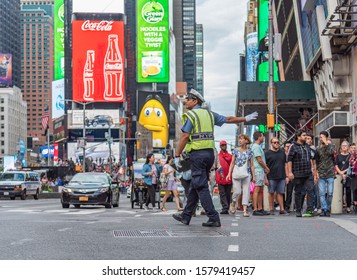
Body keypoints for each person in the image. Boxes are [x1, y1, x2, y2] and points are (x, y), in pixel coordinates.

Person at [172, 89, 258, 227]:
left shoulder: (191, 115)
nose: (186, 101)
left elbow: (185, 136)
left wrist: (177, 155)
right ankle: (186, 215)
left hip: (197, 154)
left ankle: (213, 217)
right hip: (209, 154)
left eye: (188, 99)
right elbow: (228, 119)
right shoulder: (209, 114)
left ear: (195, 101)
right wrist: (245, 118)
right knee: (196, 184)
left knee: (200, 186)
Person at [287, 130, 315, 217]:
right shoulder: (293, 146)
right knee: (298, 192)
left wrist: (312, 168)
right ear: (298, 137)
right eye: (303, 135)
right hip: (298, 174)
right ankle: (298, 210)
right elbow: (289, 160)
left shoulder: (307, 146)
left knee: (310, 189)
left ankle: (310, 209)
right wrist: (290, 172)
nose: (305, 137)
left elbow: (310, 158)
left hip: (308, 173)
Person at [227, 134, 254, 217]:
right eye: (239, 139)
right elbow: (232, 163)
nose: (240, 141)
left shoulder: (250, 152)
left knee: (246, 191)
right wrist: (229, 174)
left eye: (242, 139)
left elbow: (252, 165)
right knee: (237, 191)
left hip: (247, 173)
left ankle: (245, 210)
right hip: (236, 173)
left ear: (246, 141)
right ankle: (233, 202)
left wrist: (254, 176)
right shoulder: (235, 151)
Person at [265, 137, 289, 215]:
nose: (276, 144)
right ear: (271, 143)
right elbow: (265, 166)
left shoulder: (282, 152)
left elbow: (285, 165)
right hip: (271, 176)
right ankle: (271, 209)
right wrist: (265, 177)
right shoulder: (267, 153)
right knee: (271, 193)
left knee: (280, 193)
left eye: (277, 142)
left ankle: (282, 209)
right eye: (274, 142)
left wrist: (287, 176)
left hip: (281, 176)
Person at [315, 131, 336, 217]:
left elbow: (331, 152)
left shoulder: (331, 146)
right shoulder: (318, 149)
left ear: (327, 138)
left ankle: (328, 208)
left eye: (323, 137)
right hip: (321, 173)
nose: (321, 139)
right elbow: (316, 162)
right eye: (320, 137)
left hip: (330, 173)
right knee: (322, 193)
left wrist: (326, 143)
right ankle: (324, 209)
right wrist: (316, 173)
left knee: (330, 193)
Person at [251, 131, 270, 216]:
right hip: (258, 170)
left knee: (260, 190)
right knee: (257, 189)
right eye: (262, 136)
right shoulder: (256, 147)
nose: (263, 138)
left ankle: (260, 208)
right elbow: (259, 159)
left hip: (260, 170)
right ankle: (255, 209)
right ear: (259, 137)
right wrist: (266, 167)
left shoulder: (258, 146)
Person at [216, 140, 233, 214]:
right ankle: (225, 207)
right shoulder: (217, 156)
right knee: (222, 193)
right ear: (220, 146)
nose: (224, 146)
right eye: (222, 145)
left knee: (228, 193)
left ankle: (227, 206)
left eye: (225, 145)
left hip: (228, 177)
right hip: (220, 177)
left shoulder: (230, 156)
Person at [335, 141, 351, 213]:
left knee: (348, 191)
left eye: (346, 145)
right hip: (339, 176)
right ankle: (339, 205)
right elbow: (336, 165)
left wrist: (345, 172)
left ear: (348, 147)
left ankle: (348, 206)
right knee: (339, 191)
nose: (344, 147)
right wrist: (341, 173)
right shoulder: (338, 156)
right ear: (341, 147)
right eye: (343, 145)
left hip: (348, 175)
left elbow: (351, 166)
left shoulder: (350, 156)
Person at [283, 141, 294, 212]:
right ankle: (282, 205)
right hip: (282, 175)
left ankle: (287, 206)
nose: (288, 148)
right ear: (284, 147)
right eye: (287, 146)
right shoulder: (282, 155)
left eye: (289, 146)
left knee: (289, 191)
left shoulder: (292, 155)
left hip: (291, 175)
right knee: (281, 191)